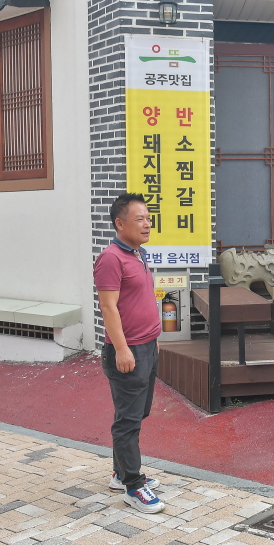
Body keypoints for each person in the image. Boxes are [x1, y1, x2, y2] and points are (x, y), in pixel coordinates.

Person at [94, 192, 166, 514]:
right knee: (128, 420)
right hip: (127, 351)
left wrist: (153, 339)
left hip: (146, 346)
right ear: (119, 223)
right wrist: (122, 348)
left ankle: (120, 473)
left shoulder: (138, 253)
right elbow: (108, 307)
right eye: (140, 219)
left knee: (137, 413)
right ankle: (133, 487)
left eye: (148, 218)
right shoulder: (111, 258)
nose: (147, 224)